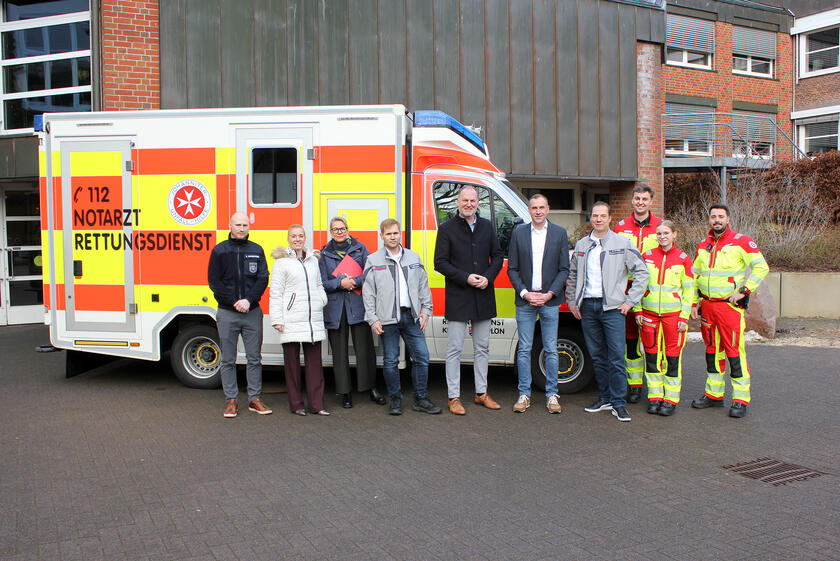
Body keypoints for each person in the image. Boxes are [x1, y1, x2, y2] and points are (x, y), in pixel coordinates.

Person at [566, 201, 648, 422]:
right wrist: (572, 302)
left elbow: (642, 272)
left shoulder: (622, 243)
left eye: (603, 216)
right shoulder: (582, 244)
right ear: (591, 218)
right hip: (588, 308)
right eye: (595, 215)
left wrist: (630, 301)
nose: (598, 219)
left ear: (610, 218)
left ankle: (618, 403)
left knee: (616, 357)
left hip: (613, 309)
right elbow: (573, 274)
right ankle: (604, 398)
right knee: (597, 356)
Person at [690, 204, 769, 418]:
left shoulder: (741, 241)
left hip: (728, 308)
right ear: (709, 219)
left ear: (728, 219)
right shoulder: (703, 244)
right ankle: (714, 395)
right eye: (713, 216)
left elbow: (761, 267)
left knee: (734, 353)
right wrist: (695, 301)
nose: (717, 220)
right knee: (712, 352)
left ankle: (740, 399)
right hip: (707, 307)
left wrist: (744, 291)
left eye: (721, 216)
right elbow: (695, 274)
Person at [433, 184, 504, 415]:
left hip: (483, 295)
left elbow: (497, 256)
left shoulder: (487, 226)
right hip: (459, 297)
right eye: (465, 200)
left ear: (477, 203)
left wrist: (488, 277)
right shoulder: (446, 229)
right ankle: (453, 397)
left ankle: (481, 392)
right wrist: (466, 278)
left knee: (482, 347)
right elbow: (439, 263)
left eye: (473, 200)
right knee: (454, 349)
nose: (469, 204)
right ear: (458, 202)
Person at [362, 219, 442, 416]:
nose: (392, 237)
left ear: (400, 234)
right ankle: (395, 399)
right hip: (387, 318)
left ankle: (420, 399)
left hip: (411, 317)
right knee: (391, 361)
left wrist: (426, 310)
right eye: (388, 234)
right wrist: (372, 318)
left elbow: (423, 285)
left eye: (395, 233)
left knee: (422, 357)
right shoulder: (373, 260)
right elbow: (368, 292)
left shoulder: (413, 257)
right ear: (382, 236)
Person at [506, 194, 570, 414]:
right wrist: (525, 293)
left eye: (542, 207)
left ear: (548, 209)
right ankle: (524, 394)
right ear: (529, 210)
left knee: (551, 349)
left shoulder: (559, 233)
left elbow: (564, 269)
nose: (538, 211)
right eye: (534, 208)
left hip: (549, 301)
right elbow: (512, 269)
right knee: (524, 349)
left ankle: (552, 395)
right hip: (525, 301)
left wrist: (549, 294)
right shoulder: (519, 233)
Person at [207, 212, 272, 418]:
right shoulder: (219, 251)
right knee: (228, 359)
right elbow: (214, 282)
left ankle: (254, 399)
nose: (242, 228)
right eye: (238, 225)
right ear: (230, 226)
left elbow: (263, 278)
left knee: (254, 359)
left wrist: (248, 300)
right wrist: (234, 301)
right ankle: (231, 400)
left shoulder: (256, 249)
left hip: (252, 312)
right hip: (227, 312)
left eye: (245, 225)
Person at [319, 216, 385, 409]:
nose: (339, 232)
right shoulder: (324, 254)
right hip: (336, 308)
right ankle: (345, 392)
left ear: (347, 229)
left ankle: (371, 387)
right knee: (339, 353)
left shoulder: (360, 248)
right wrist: (340, 283)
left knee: (365, 349)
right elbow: (322, 282)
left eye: (342, 228)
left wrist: (355, 281)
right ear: (331, 232)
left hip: (358, 305)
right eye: (335, 229)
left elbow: (370, 273)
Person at [633, 221, 695, 416]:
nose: (662, 237)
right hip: (649, 315)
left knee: (672, 359)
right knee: (651, 357)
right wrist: (638, 310)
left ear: (674, 234)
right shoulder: (647, 256)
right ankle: (655, 397)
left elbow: (689, 291)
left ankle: (670, 399)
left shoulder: (684, 259)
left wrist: (684, 316)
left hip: (674, 317)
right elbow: (639, 284)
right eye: (659, 233)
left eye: (666, 233)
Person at [269, 225, 330, 416]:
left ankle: (317, 405)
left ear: (305, 238)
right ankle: (296, 405)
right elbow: (275, 292)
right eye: (293, 236)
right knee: (292, 366)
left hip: (312, 320)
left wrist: (321, 300)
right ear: (288, 239)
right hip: (291, 319)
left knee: (315, 365)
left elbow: (319, 284)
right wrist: (277, 319)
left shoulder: (313, 260)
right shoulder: (281, 262)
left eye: (300, 236)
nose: (297, 239)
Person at [614, 184, 662, 403]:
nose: (640, 202)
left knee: (652, 344)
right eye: (637, 198)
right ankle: (634, 385)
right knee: (630, 341)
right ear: (632, 200)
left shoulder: (660, 226)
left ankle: (656, 389)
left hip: (652, 291)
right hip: (626, 290)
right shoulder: (621, 226)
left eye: (645, 199)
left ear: (651, 201)